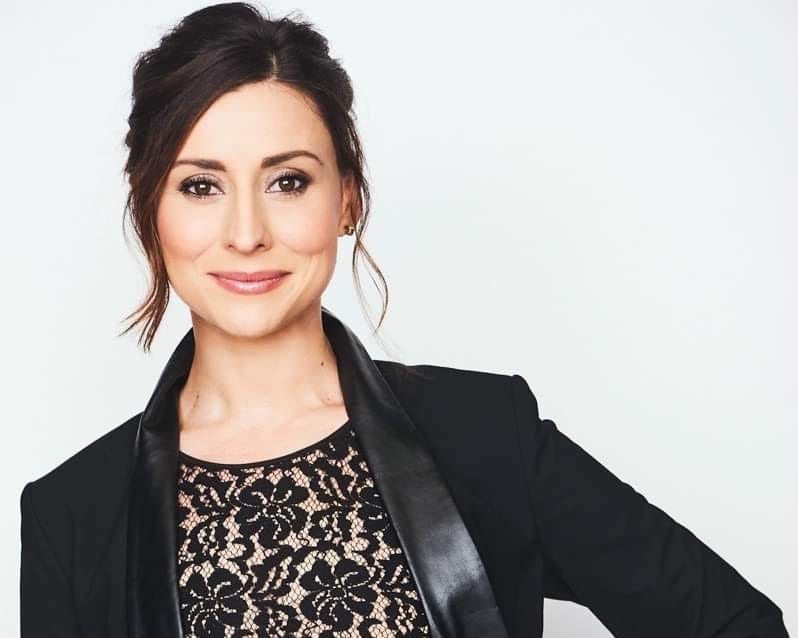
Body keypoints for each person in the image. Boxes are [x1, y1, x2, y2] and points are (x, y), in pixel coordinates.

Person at [19, 3, 790, 637]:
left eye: (288, 181)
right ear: (149, 209)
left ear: (346, 200)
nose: (246, 232)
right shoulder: (73, 516)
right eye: (200, 186)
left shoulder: (485, 434)